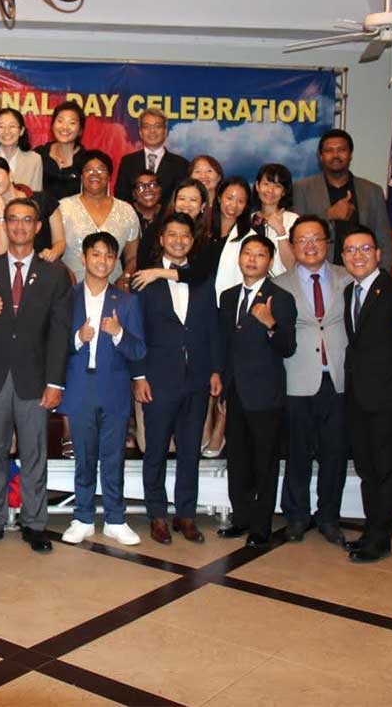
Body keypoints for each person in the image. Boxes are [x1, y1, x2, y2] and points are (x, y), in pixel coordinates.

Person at [0, 198, 72, 553]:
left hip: (35, 377)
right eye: (13, 220)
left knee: (34, 452)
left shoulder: (56, 274)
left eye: (28, 220)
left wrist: (55, 382)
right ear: (5, 224)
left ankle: (34, 523)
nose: (21, 227)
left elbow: (59, 333)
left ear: (38, 226)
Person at [132, 213, 222, 544]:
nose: (179, 240)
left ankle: (185, 515)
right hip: (158, 378)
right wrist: (139, 375)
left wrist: (214, 369)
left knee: (189, 452)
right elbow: (136, 333)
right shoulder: (145, 282)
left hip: (197, 379)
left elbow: (213, 327)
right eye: (173, 235)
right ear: (161, 238)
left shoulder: (202, 279)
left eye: (185, 235)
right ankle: (157, 515)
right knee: (154, 449)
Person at [340, 225, 392, 563]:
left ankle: (380, 538)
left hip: (389, 396)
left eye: (364, 249)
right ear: (343, 257)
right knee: (367, 468)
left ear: (378, 254)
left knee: (387, 469)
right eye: (350, 250)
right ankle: (371, 529)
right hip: (359, 395)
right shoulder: (350, 292)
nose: (357, 256)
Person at [58, 232, 146, 546]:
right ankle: (82, 517)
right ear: (83, 258)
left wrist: (119, 333)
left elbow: (138, 350)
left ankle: (115, 518)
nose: (102, 261)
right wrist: (79, 338)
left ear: (116, 261)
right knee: (83, 456)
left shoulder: (127, 301)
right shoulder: (66, 298)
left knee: (113, 457)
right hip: (80, 386)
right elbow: (53, 347)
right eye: (96, 254)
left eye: (109, 255)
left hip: (114, 388)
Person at [273, 215, 350, 545]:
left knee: (335, 453)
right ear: (292, 246)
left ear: (327, 243)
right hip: (297, 377)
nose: (310, 245)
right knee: (298, 453)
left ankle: (329, 516)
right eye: (302, 240)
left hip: (338, 378)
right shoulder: (278, 284)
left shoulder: (348, 278)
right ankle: (297, 516)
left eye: (316, 238)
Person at [215, 235, 297, 547]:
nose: (252, 259)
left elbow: (287, 347)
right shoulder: (228, 295)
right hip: (234, 391)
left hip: (265, 394)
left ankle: (261, 526)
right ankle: (242, 518)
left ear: (270, 261)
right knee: (237, 460)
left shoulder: (281, 297)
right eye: (247, 253)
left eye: (260, 255)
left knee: (264, 462)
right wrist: (220, 381)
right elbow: (224, 344)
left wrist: (270, 323)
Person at [292, 129, 392, 268]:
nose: (335, 155)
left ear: (350, 155)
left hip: (361, 271)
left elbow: (384, 240)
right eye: (329, 150)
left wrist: (382, 277)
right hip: (319, 271)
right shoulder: (302, 188)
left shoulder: (372, 191)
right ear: (320, 156)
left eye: (341, 150)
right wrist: (329, 215)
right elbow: (297, 234)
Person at [57, 151, 140, 287]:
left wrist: (126, 278)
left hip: (114, 289)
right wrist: (63, 272)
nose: (95, 173)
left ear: (109, 176)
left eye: (101, 169)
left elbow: (132, 257)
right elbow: (50, 251)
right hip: (69, 288)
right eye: (89, 169)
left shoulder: (126, 210)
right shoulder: (62, 208)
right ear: (81, 176)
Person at [0, 156, 64, 262]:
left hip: (46, 266)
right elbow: (0, 251)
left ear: (10, 175)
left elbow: (60, 241)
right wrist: (0, 211)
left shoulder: (44, 200)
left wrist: (52, 253)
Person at [114, 108, 189, 206]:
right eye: (147, 126)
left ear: (165, 131)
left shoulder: (181, 164)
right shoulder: (128, 162)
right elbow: (121, 198)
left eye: (157, 126)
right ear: (140, 132)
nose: (152, 131)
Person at [211, 176, 257, 304]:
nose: (233, 205)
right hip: (198, 300)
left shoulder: (249, 237)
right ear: (220, 198)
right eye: (229, 198)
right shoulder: (203, 229)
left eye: (240, 201)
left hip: (228, 305)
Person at [0, 107, 42, 191]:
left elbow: (36, 195)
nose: (6, 131)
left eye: (12, 126)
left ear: (21, 131)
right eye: (1, 127)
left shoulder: (34, 159)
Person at [36, 100, 88, 202]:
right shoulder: (39, 154)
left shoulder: (86, 160)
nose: (65, 127)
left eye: (72, 123)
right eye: (60, 121)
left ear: (80, 130)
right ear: (52, 125)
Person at [250, 163, 297, 274]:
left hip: (282, 286)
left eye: (277, 186)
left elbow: (293, 266)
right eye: (266, 184)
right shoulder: (247, 220)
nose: (270, 190)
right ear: (257, 186)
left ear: (284, 192)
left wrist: (280, 231)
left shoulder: (293, 220)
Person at [189, 155, 224, 238]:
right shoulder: (184, 205)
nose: (203, 176)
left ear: (219, 177)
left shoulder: (226, 206)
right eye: (197, 171)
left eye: (209, 171)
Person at [129, 169, 163, 240]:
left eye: (152, 185)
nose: (147, 190)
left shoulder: (168, 213)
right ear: (134, 194)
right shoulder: (126, 214)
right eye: (140, 187)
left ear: (160, 189)